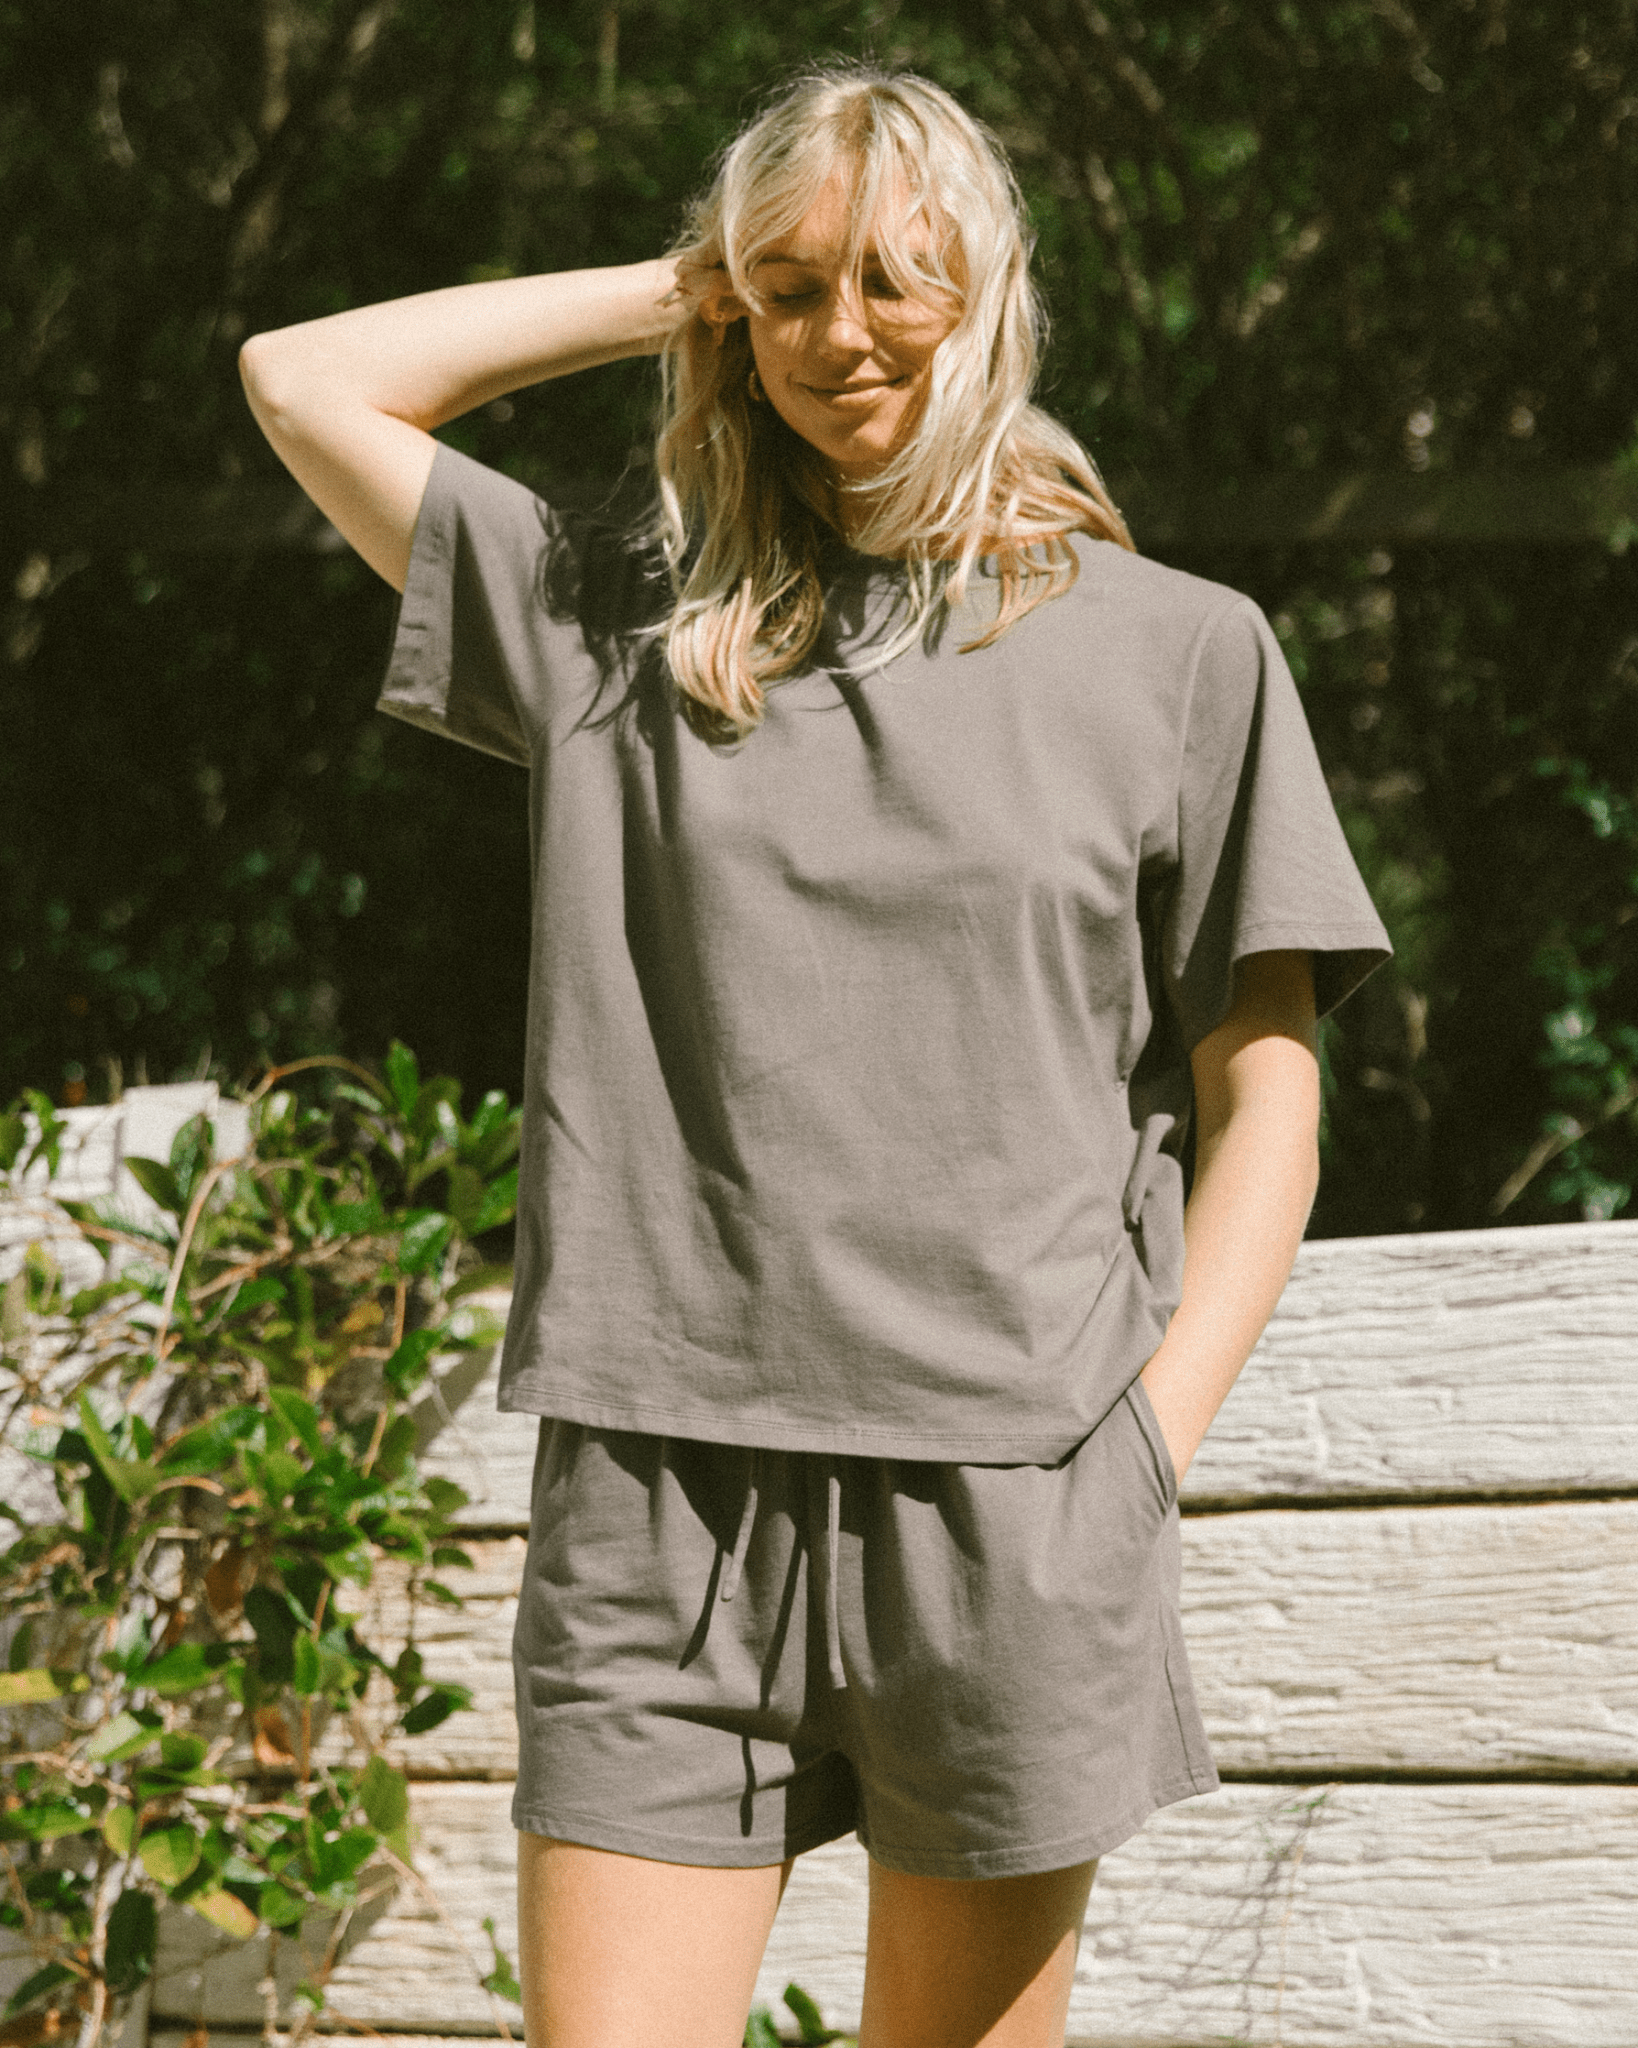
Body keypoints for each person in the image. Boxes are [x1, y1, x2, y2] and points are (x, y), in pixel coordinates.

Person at [241, 63, 1389, 2048]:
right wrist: (678, 287)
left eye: (890, 282)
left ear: (989, 291)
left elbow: (1263, 1088)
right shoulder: (620, 627)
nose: (838, 334)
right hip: (659, 1499)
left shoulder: (1182, 650)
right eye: (787, 292)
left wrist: (1148, 1443)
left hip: (1015, 1498)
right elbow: (303, 379)